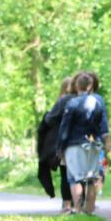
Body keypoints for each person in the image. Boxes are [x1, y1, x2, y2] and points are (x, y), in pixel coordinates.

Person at [57, 72, 111, 215]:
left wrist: (60, 147)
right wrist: (106, 142)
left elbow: (65, 127)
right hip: (93, 144)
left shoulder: (72, 103)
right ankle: (90, 210)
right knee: (91, 178)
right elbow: (103, 125)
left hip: (74, 144)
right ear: (89, 86)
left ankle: (78, 208)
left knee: (74, 178)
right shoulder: (97, 102)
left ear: (76, 86)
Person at [36, 77, 76, 212]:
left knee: (65, 173)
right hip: (78, 141)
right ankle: (78, 204)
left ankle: (67, 204)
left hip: (63, 142)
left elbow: (48, 120)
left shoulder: (63, 101)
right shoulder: (82, 100)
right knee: (78, 174)